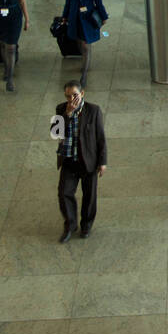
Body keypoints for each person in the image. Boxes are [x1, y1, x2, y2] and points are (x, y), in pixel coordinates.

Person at [55, 80, 107, 242]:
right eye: (68, 96)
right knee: (64, 193)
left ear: (82, 93)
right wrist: (67, 115)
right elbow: (56, 134)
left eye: (75, 95)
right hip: (69, 160)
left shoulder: (94, 110)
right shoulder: (61, 109)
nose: (71, 100)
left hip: (88, 161)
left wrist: (102, 162)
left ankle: (86, 225)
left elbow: (100, 138)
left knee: (89, 195)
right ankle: (70, 225)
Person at [61, 0, 108, 89]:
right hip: (75, 17)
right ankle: (85, 61)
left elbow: (98, 1)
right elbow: (68, 1)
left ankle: (85, 73)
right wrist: (65, 15)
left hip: (87, 18)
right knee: (80, 41)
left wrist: (103, 16)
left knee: (86, 44)